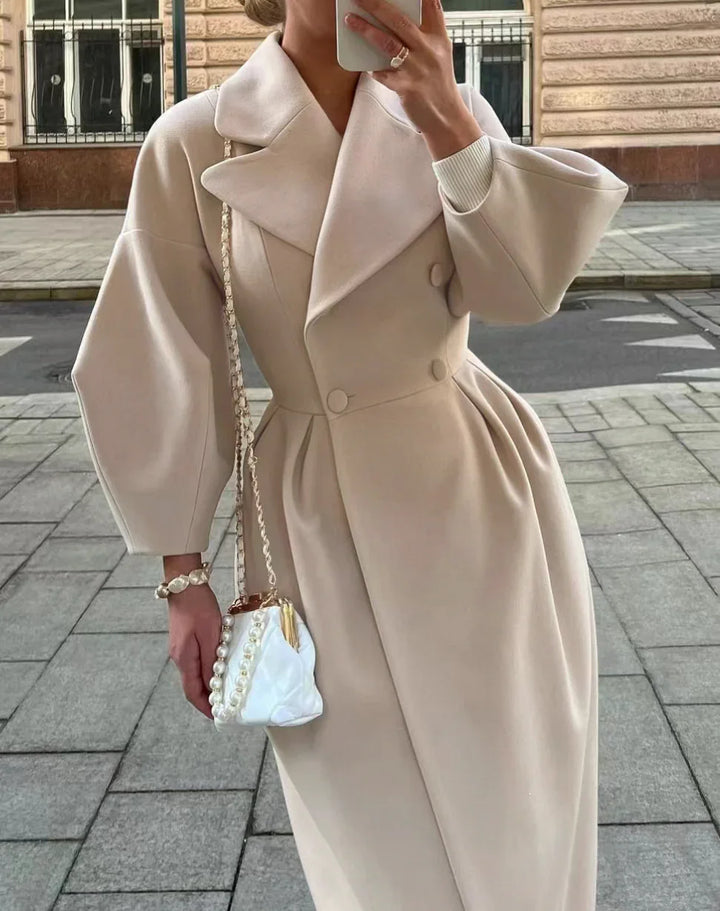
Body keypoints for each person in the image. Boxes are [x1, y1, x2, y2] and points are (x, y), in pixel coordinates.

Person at [71, 0, 629, 906]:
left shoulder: (448, 107)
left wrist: (450, 120)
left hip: (477, 492)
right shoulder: (195, 140)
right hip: (316, 518)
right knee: (378, 845)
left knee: (517, 805)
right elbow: (160, 349)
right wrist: (183, 572)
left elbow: (524, 291)